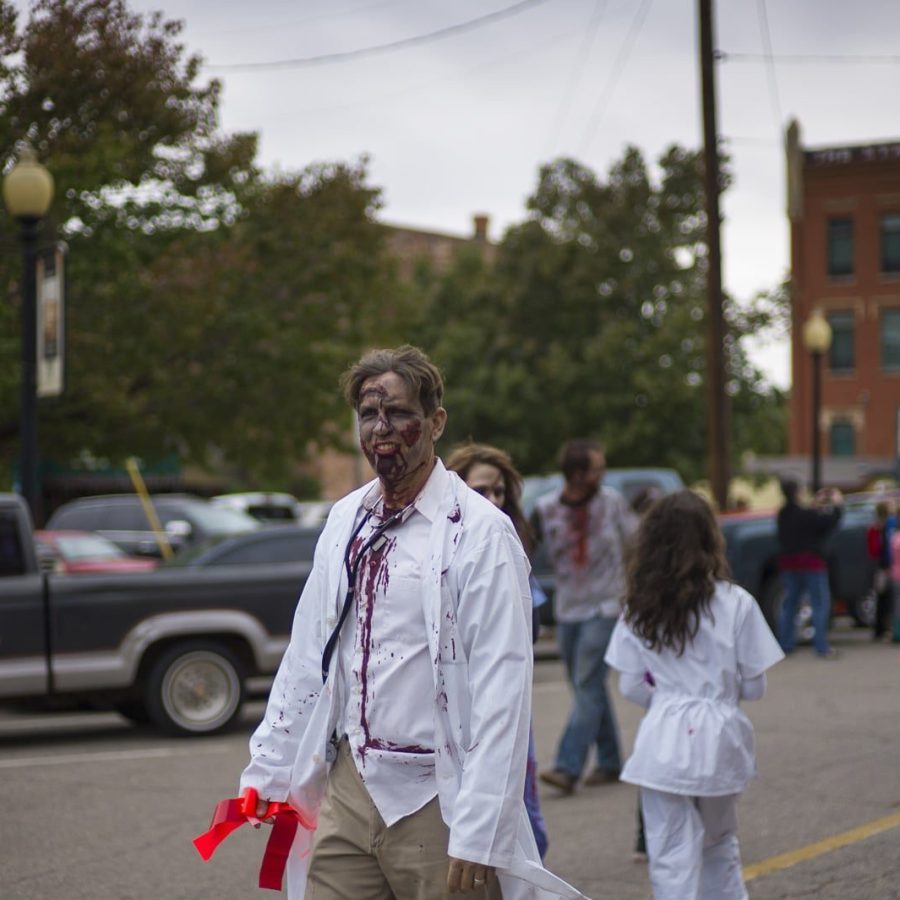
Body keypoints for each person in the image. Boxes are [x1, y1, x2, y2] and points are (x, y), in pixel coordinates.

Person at [239, 346, 585, 900]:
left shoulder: (480, 534)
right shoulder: (346, 520)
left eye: (399, 413)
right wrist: (269, 767)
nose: (383, 429)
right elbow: (309, 654)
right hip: (352, 787)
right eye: (369, 415)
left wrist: (480, 829)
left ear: (435, 422)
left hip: (437, 797)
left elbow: (503, 688)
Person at [605, 490, 784, 900]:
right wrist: (718, 695)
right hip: (721, 738)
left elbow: (629, 684)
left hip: (663, 739)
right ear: (710, 539)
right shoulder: (737, 603)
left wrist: (667, 701)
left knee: (669, 850)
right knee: (720, 843)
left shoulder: (638, 608)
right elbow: (755, 687)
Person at [445, 442, 550, 860]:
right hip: (451, 708)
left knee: (526, 818)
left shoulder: (510, 543)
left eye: (500, 492)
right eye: (481, 490)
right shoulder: (438, 548)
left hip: (505, 703)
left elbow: (532, 627)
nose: (492, 501)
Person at [532, 439, 637, 794]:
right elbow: (524, 546)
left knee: (588, 682)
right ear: (576, 474)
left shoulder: (612, 503)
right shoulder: (546, 509)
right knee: (585, 687)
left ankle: (567, 766)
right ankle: (609, 762)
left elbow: (634, 542)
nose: (601, 474)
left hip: (605, 607)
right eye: (595, 468)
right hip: (568, 610)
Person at [776, 479, 843, 659]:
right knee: (819, 603)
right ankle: (821, 645)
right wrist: (836, 505)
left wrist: (815, 505)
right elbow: (826, 523)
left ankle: (785, 643)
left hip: (790, 564)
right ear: (797, 492)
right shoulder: (806, 515)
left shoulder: (783, 513)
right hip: (812, 564)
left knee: (790, 603)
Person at [866, 500, 895, 641]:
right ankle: (885, 629)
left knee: (881, 598)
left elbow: (873, 551)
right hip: (887, 566)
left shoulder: (874, 528)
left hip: (880, 566)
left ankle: (880, 629)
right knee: (888, 599)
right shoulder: (888, 527)